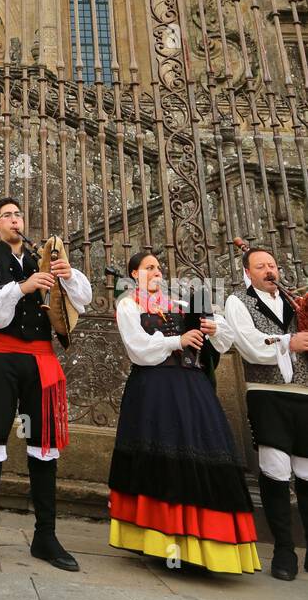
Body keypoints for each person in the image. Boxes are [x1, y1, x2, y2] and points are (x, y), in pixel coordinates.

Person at [108, 249, 260, 574]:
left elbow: (221, 339)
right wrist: (177, 340)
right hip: (155, 389)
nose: (156, 272)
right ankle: (162, 544)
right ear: (134, 275)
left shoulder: (179, 302)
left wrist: (213, 328)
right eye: (149, 268)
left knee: (202, 455)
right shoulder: (129, 304)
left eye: (159, 268)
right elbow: (137, 348)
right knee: (163, 459)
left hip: (192, 388)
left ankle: (204, 547)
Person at [0, 198, 92, 571]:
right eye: (7, 216)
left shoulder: (45, 257)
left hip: (41, 362)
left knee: (43, 443)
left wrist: (67, 275)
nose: (14, 220)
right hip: (0, 360)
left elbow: (82, 301)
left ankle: (45, 536)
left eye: (18, 215)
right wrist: (23, 287)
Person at [221, 246, 308, 580]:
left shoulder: (294, 303)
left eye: (272, 265)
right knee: (275, 468)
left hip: (304, 394)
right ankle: (284, 551)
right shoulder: (238, 301)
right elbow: (248, 343)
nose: (270, 271)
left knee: (305, 471)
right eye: (261, 266)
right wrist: (289, 342)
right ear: (248, 273)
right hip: (267, 393)